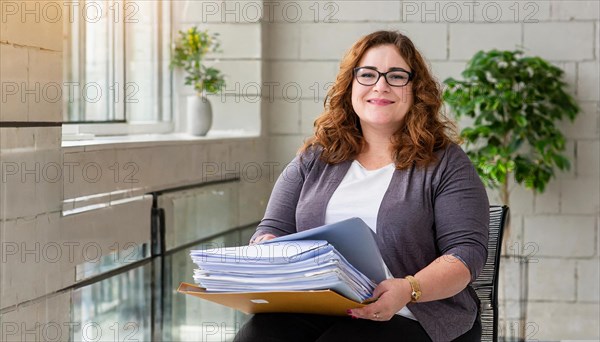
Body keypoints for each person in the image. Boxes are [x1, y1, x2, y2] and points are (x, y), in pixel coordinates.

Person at [234, 30, 489, 342]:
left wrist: (408, 289)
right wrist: (265, 249)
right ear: (350, 85)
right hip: (321, 307)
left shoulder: (446, 163)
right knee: (257, 335)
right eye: (367, 74)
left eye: (396, 76)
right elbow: (273, 227)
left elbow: (466, 254)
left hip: (414, 313)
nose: (380, 85)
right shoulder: (314, 157)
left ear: (415, 90)